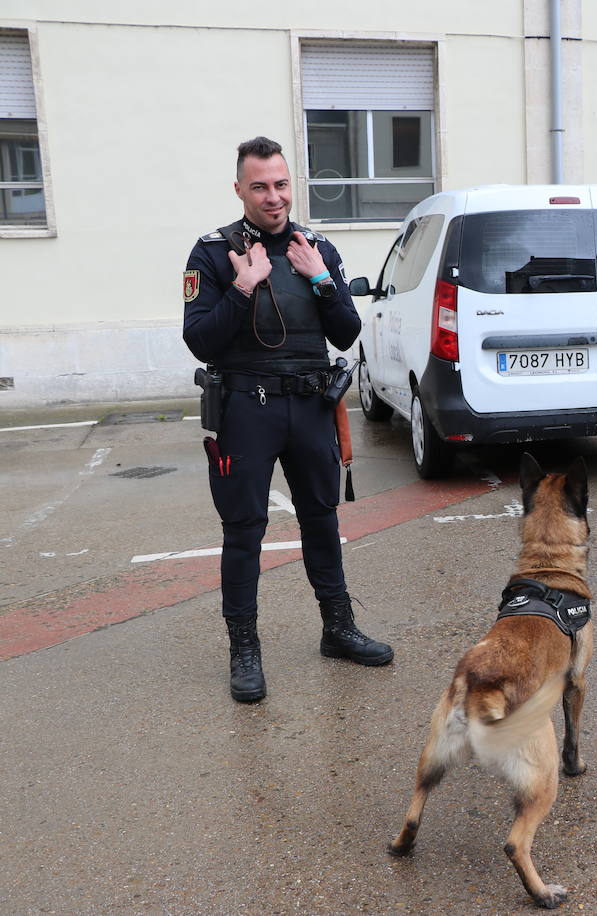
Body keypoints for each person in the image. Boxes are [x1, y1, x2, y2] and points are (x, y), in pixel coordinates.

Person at [182, 136, 392, 703]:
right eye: (260, 187)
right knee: (244, 530)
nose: (273, 197)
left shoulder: (315, 246)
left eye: (280, 184)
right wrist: (244, 286)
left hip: (309, 405)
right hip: (246, 409)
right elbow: (199, 340)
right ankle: (244, 650)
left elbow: (347, 331)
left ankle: (338, 629)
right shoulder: (212, 252)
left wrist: (321, 278)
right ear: (239, 189)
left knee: (322, 520)